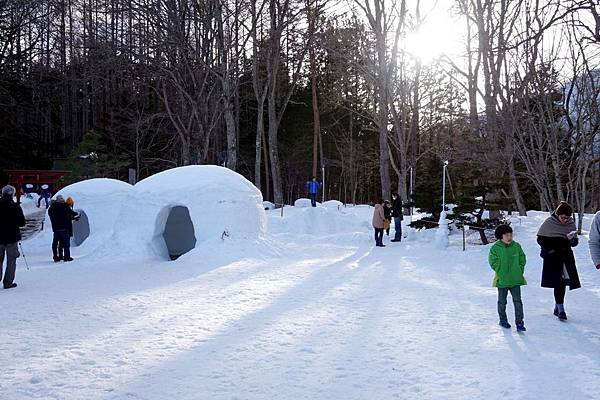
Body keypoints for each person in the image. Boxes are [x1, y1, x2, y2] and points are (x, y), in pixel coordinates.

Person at [537, 201, 580, 321]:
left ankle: (559, 307)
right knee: (557, 282)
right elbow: (540, 240)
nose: (565, 220)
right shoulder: (549, 223)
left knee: (562, 282)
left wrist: (571, 240)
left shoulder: (571, 224)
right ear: (557, 214)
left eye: (567, 218)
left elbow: (575, 243)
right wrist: (552, 246)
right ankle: (560, 308)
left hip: (566, 257)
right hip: (553, 257)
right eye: (562, 217)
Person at [489, 224, 527, 331]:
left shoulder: (516, 246)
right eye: (506, 235)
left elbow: (522, 258)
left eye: (511, 235)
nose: (509, 237)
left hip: (516, 279)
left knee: (518, 301)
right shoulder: (495, 248)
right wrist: (500, 269)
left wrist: (519, 269)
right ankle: (503, 320)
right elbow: (492, 261)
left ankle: (519, 322)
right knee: (502, 302)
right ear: (500, 236)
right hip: (502, 280)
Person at [0, 185, 26, 289]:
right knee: (11, 261)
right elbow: (22, 222)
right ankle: (8, 282)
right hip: (12, 236)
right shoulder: (15, 207)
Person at [48, 195, 78, 262]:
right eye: (62, 199)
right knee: (66, 243)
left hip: (56, 228)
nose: (63, 200)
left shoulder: (51, 209)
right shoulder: (63, 206)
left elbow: (59, 216)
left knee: (55, 243)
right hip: (64, 228)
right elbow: (70, 213)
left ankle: (56, 257)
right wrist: (77, 214)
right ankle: (67, 257)